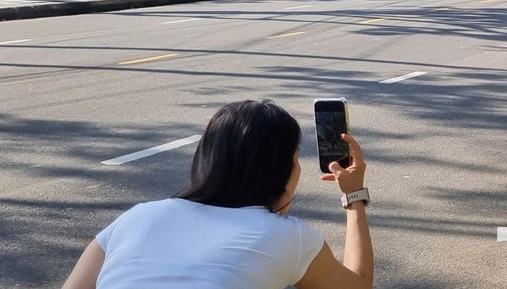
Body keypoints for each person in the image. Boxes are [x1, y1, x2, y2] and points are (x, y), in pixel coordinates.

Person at [62, 100, 374, 289]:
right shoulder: (289, 236)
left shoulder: (137, 216)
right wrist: (354, 197)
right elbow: (357, 285)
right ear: (278, 171)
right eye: (295, 159)